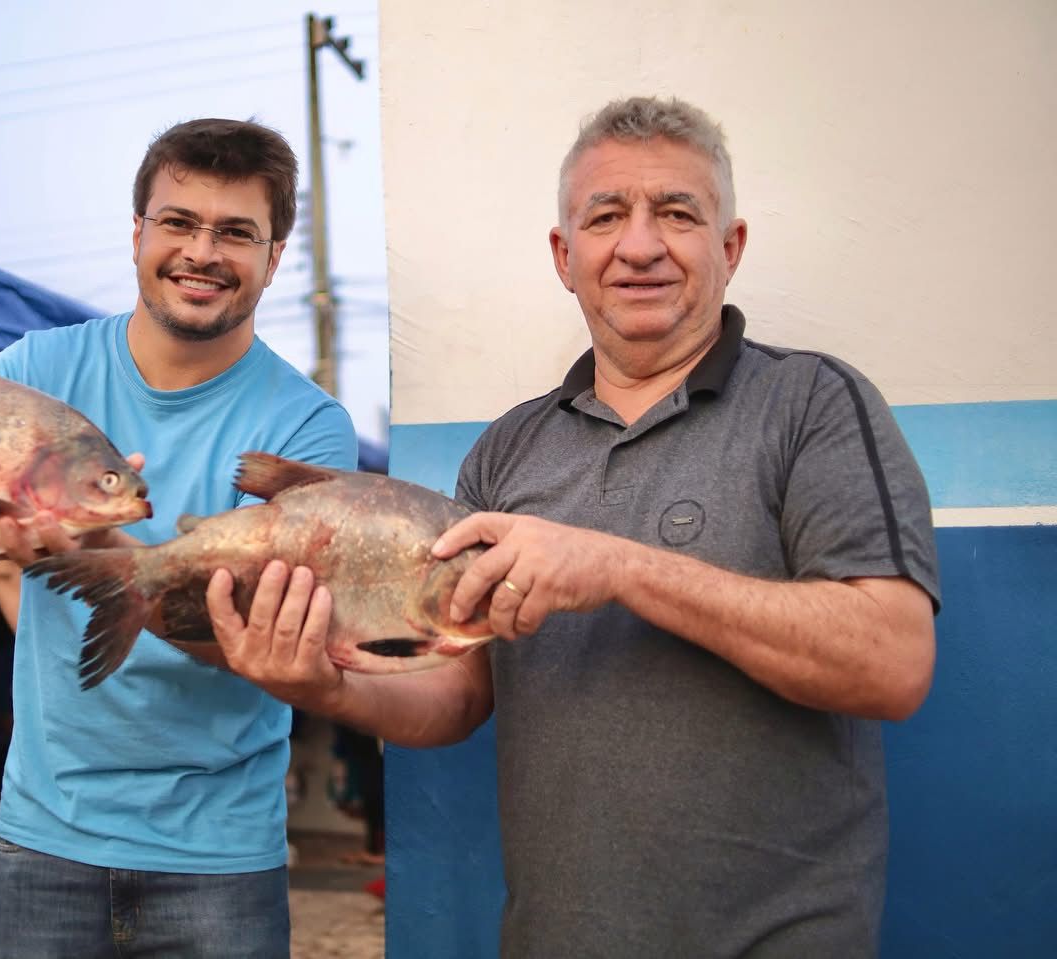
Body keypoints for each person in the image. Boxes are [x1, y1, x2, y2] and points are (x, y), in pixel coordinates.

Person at [206, 96, 940, 957]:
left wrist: (624, 568)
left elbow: (892, 663)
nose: (638, 245)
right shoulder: (507, 452)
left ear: (729, 246)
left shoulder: (814, 404)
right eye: (605, 216)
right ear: (565, 255)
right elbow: (461, 690)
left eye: (677, 212)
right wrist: (324, 689)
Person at [0, 117, 358, 957]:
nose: (202, 251)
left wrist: (103, 563)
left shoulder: (306, 429)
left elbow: (266, 643)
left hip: (220, 856)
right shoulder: (31, 373)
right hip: (44, 837)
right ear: (137, 234)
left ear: (274, 257)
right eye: (178, 222)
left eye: (236, 231)